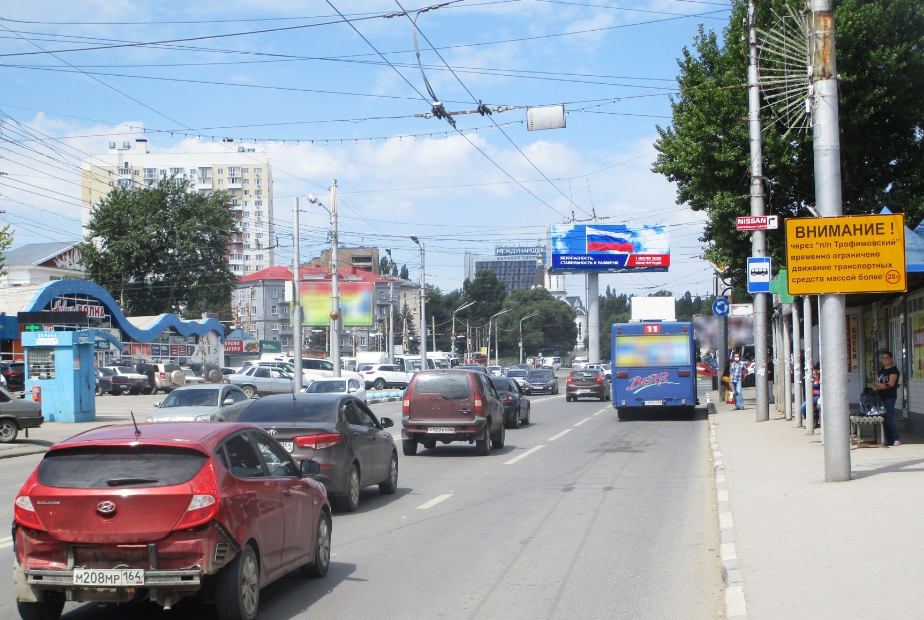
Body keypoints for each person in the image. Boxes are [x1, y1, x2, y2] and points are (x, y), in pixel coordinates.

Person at [873, 351, 901, 446]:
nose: (884, 360)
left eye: (886, 358)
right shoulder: (882, 370)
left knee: (889, 417)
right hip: (881, 396)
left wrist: (881, 386)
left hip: (890, 396)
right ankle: (888, 439)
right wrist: (881, 386)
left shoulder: (893, 370)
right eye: (883, 358)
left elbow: (891, 383)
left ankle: (896, 438)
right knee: (883, 417)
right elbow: (876, 382)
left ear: (891, 359)